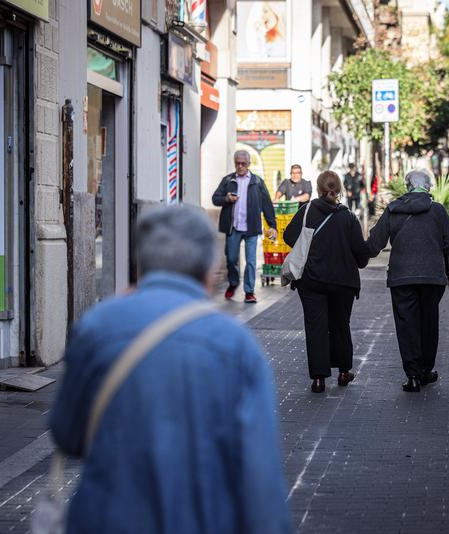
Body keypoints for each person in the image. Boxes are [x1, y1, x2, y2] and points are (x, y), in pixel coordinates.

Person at [49, 205, 292, 533]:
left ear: (142, 262)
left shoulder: (97, 325)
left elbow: (67, 434)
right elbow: (259, 475)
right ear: (211, 267)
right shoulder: (236, 346)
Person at [366, 169, 449, 393]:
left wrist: (352, 255)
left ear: (407, 186)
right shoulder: (437, 210)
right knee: (428, 321)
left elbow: (374, 244)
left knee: (407, 325)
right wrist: (437, 247)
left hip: (401, 277)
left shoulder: (393, 209)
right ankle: (426, 370)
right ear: (428, 188)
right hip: (432, 277)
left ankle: (413, 376)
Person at [283, 170, 369, 393]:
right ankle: (343, 372)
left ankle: (319, 379)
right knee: (341, 325)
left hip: (311, 281)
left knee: (316, 327)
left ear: (319, 189)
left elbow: (288, 237)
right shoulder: (349, 218)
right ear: (339, 190)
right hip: (343, 283)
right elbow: (361, 256)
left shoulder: (307, 211)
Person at [212, 150, 277, 304]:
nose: (240, 166)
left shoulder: (257, 182)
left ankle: (249, 291)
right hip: (233, 227)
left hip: (251, 228)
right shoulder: (228, 180)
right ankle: (233, 283)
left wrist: (272, 225)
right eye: (237, 163)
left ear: (248, 164)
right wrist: (226, 198)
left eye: (243, 163)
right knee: (232, 259)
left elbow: (267, 205)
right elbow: (215, 198)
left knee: (251, 261)